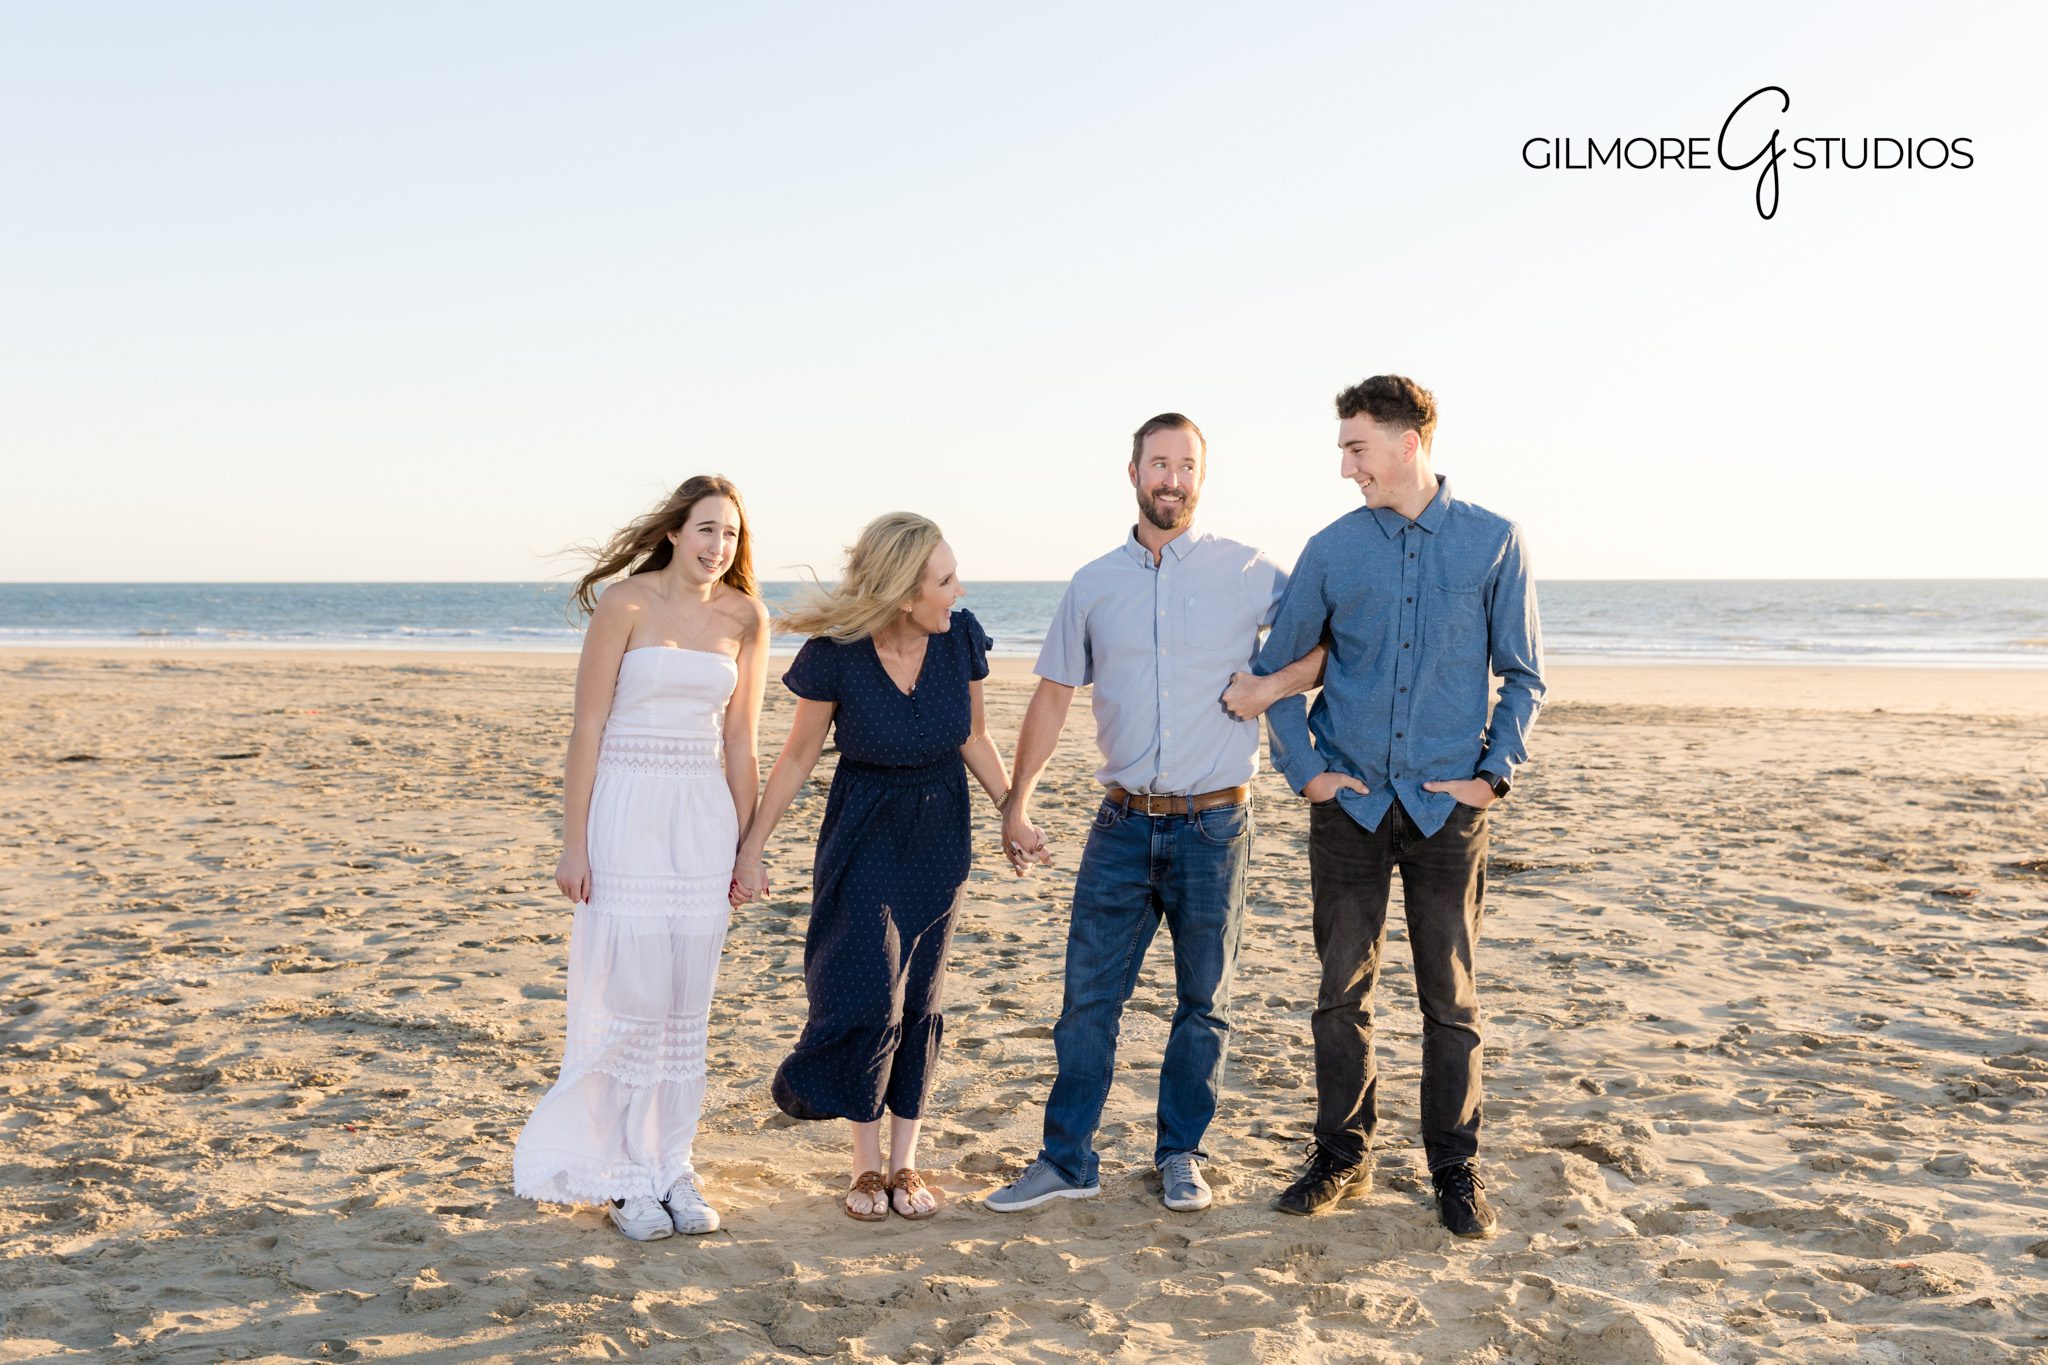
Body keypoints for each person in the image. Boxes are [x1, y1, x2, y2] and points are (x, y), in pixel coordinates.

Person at [1225, 375, 1544, 1237]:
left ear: (1409, 444)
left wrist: (1492, 775)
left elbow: (1523, 675)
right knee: (1340, 993)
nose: (1346, 468)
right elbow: (1275, 675)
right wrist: (1307, 772)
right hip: (1351, 810)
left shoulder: (1493, 540)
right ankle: (1342, 1154)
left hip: (1449, 812)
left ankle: (1455, 1166)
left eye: (1356, 448)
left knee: (1452, 998)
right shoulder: (1332, 549)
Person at [984, 414, 1323, 1215]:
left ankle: (1181, 1153)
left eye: (1186, 464)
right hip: (1121, 823)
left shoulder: (1252, 570)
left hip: (1216, 826)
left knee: (1205, 1004)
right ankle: (1067, 1159)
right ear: (1133, 472)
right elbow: (1053, 695)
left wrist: (1270, 688)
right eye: (1159, 463)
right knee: (1086, 1004)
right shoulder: (1093, 582)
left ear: (1203, 476)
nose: (1173, 478)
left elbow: (1330, 641)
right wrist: (1017, 800)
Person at [513, 475, 770, 1241]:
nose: (717, 545)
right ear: (674, 532)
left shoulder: (747, 616)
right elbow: (587, 727)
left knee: (687, 1002)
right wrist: (574, 841)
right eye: (705, 528)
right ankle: (625, 1175)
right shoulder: (625, 603)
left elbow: (741, 740)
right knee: (637, 996)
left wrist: (749, 847)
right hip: (626, 811)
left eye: (729, 533)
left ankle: (671, 1164)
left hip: (702, 816)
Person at [734, 513, 1009, 1220]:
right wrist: (753, 845)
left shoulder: (960, 638)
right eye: (945, 579)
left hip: (940, 835)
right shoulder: (837, 652)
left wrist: (1013, 809)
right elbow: (798, 754)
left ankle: (903, 1163)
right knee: (869, 993)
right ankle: (863, 1165)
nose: (959, 589)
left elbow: (975, 738)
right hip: (862, 833)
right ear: (903, 591)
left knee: (920, 996)